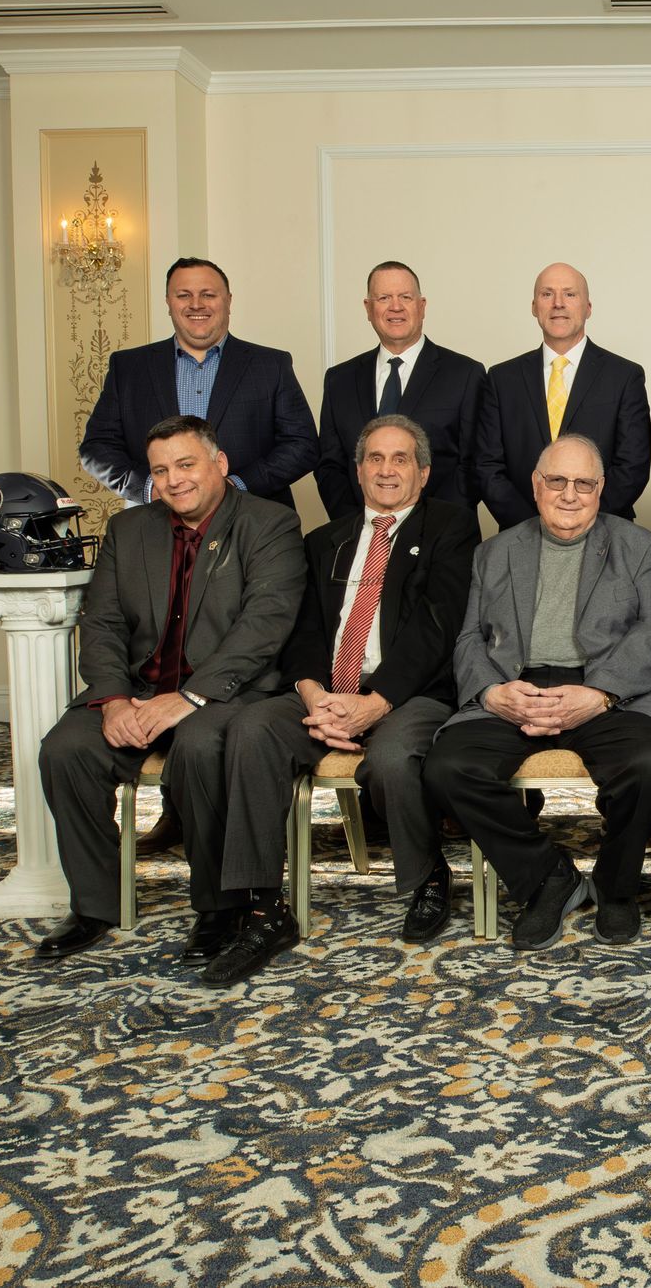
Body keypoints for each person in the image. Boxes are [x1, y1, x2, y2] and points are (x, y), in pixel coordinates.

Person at [199, 416, 480, 986]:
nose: (386, 470)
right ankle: (261, 904)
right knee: (252, 729)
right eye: (375, 458)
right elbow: (300, 629)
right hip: (324, 690)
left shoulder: (452, 528)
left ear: (423, 473)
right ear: (358, 472)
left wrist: (375, 702)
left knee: (393, 759)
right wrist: (312, 693)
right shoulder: (326, 539)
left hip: (409, 693)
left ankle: (427, 878)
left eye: (400, 459)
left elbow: (437, 626)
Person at [34, 416, 305, 962]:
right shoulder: (129, 530)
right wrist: (111, 700)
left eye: (186, 465)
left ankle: (218, 908)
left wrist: (188, 698)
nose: (175, 480)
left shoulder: (269, 524)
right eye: (161, 470)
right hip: (136, 689)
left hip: (227, 694)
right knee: (64, 749)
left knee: (201, 746)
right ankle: (94, 904)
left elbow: (264, 627)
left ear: (219, 464)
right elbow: (103, 621)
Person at [423, 435, 651, 950]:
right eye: (557, 481)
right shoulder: (495, 551)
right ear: (536, 486)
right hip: (516, 684)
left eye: (584, 483)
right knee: (446, 770)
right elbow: (469, 636)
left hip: (606, 685)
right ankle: (547, 877)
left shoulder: (640, 546)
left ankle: (615, 885)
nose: (570, 494)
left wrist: (600, 693)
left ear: (601, 489)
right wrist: (492, 692)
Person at [80, 258, 318, 510]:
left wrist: (236, 486)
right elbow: (97, 447)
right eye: (184, 295)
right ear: (168, 303)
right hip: (155, 523)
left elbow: (302, 445)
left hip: (252, 521)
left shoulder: (271, 365)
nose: (196, 304)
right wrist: (151, 487)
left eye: (208, 294)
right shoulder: (128, 367)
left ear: (228, 301)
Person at [476, 262, 651, 528]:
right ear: (534, 307)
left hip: (603, 532)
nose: (558, 303)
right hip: (521, 533)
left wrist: (579, 522)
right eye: (547, 294)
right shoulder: (502, 379)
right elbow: (488, 466)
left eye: (570, 294)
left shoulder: (624, 376)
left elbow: (633, 466)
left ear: (588, 307)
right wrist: (533, 528)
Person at [315, 261, 487, 521]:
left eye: (405, 297)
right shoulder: (339, 380)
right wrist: (361, 525)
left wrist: (433, 526)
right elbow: (330, 465)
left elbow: (473, 464)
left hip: (440, 535)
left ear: (422, 306)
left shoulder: (465, 374)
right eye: (384, 298)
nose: (396, 306)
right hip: (360, 532)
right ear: (368, 308)